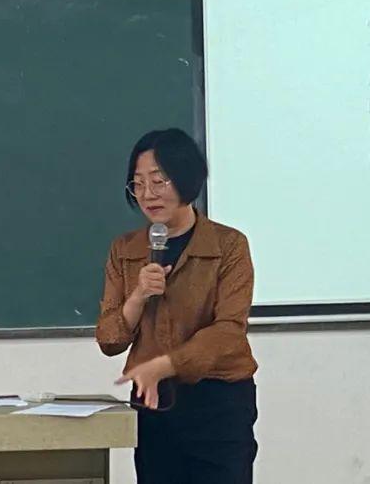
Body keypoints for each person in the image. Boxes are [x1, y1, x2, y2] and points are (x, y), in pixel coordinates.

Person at [96, 127, 258, 484]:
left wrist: (166, 365)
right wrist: (138, 295)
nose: (148, 194)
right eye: (138, 184)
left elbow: (228, 331)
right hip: (153, 400)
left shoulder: (229, 245)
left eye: (159, 181)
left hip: (218, 400)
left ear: (187, 179)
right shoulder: (125, 250)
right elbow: (109, 339)